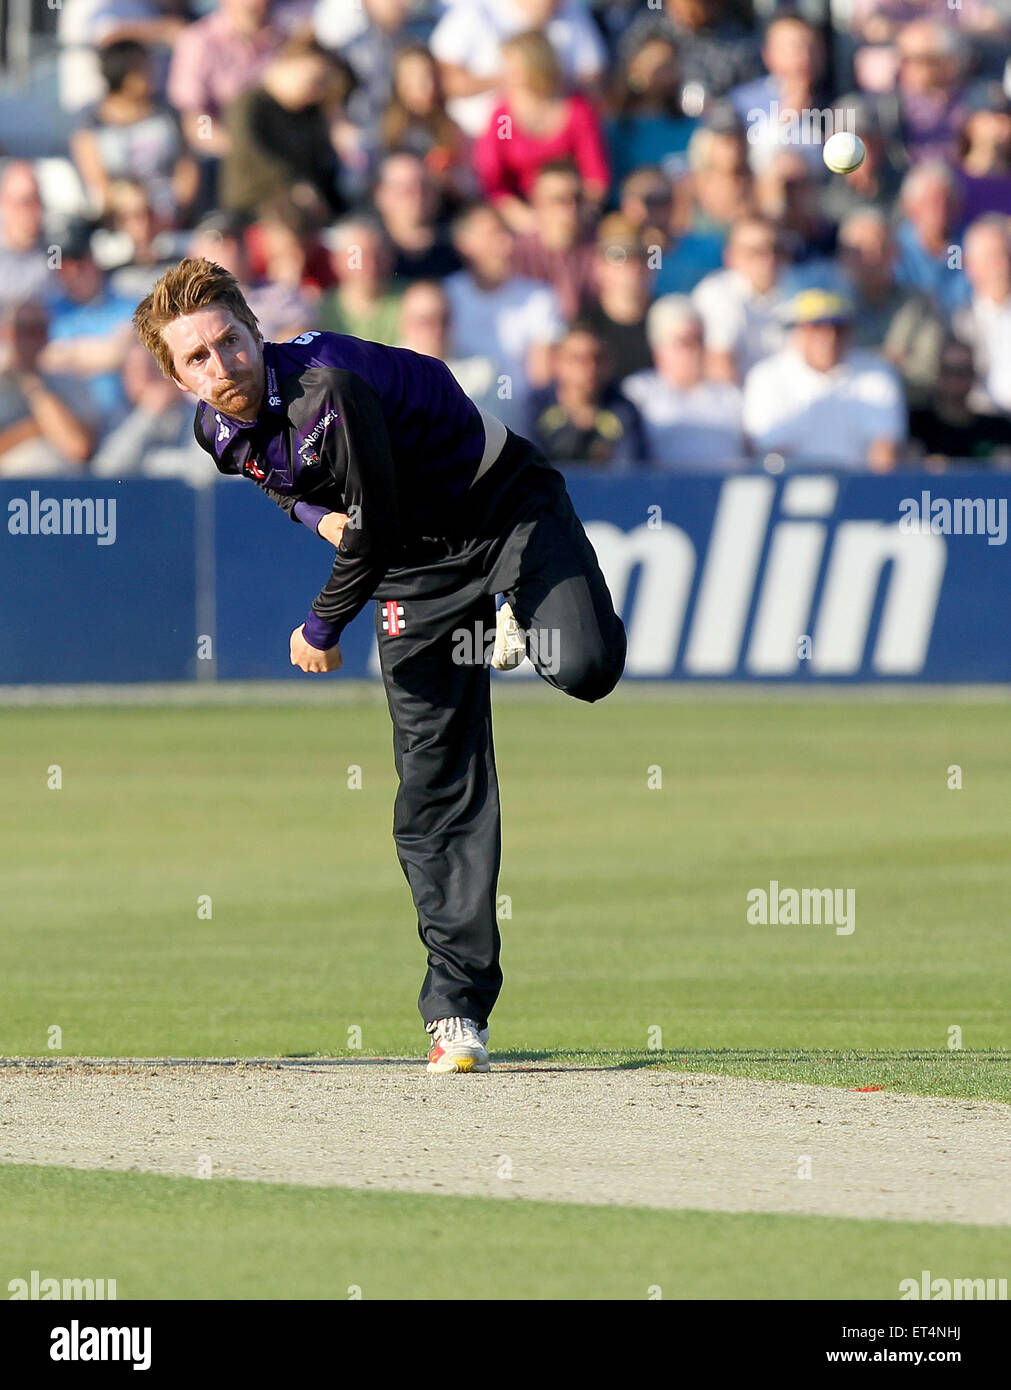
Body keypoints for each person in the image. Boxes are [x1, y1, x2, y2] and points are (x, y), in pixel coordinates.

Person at [133, 256, 626, 1072]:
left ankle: (517, 605)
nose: (222, 367)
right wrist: (312, 513)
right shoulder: (215, 430)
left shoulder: (327, 391)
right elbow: (276, 480)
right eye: (197, 359)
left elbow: (378, 529)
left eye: (230, 341)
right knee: (434, 780)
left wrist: (321, 626)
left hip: (498, 505)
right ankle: (456, 1011)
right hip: (412, 569)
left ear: (258, 331)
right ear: (176, 377)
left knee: (586, 668)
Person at [742, 288, 907, 471]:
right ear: (799, 331)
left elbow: (884, 451)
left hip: (857, 489)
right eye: (817, 327)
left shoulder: (878, 373)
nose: (829, 337)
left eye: (838, 327)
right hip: (787, 487)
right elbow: (766, 452)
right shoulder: (766, 377)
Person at [473, 29, 609, 234]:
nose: (508, 73)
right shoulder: (504, 119)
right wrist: (520, 216)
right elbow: (495, 177)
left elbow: (595, 176)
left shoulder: (576, 112)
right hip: (522, 217)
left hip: (572, 213)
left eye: (515, 66)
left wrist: (578, 214)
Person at [444, 202, 564, 431]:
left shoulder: (540, 298)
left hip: (519, 431)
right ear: (464, 244)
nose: (506, 243)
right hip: (456, 426)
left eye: (507, 233)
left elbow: (541, 379)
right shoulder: (445, 296)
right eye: (493, 234)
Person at [219, 34, 349, 222]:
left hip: (303, 215)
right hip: (252, 211)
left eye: (323, 85)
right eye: (316, 80)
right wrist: (295, 187)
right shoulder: (248, 104)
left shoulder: (310, 113)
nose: (318, 91)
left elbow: (319, 164)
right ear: (289, 64)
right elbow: (252, 154)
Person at [71, 39, 197, 224]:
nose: (151, 74)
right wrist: (131, 205)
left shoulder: (168, 113)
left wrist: (176, 211)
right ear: (123, 74)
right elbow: (96, 182)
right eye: (143, 69)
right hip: (121, 215)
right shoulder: (91, 121)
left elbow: (187, 167)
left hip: (168, 213)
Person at [620, 295, 744, 468]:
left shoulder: (730, 395)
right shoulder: (638, 392)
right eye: (684, 341)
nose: (694, 350)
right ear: (660, 348)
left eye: (699, 340)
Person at [0, 300, 99, 476]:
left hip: (61, 489)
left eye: (39, 329)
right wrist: (33, 429)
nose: (32, 339)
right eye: (24, 330)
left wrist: (34, 388)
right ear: (7, 333)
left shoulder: (69, 382)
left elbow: (79, 448)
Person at [527, 322, 647, 467]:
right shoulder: (535, 408)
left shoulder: (623, 411)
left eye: (598, 358)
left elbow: (630, 472)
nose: (590, 368)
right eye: (578, 359)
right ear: (559, 363)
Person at [691, 214, 788, 382]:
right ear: (731, 257)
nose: (768, 259)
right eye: (755, 252)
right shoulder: (716, 294)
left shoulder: (800, 287)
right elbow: (719, 365)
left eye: (776, 249)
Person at [510, 160, 597, 321]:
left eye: (578, 198)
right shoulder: (517, 254)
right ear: (537, 202)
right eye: (560, 200)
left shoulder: (600, 246)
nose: (572, 208)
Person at [908, 335, 1011, 466]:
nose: (955, 380)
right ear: (937, 373)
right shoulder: (914, 426)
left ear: (974, 375)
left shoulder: (999, 430)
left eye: (963, 372)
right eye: (948, 371)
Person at [952, 213, 1011, 413]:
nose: (1000, 267)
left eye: (1004, 255)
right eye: (989, 258)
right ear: (969, 265)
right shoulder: (955, 322)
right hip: (978, 424)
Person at [319, 216, 402, 344]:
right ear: (336, 261)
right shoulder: (318, 311)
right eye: (358, 257)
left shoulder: (414, 305)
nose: (371, 265)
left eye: (378, 255)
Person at [0, 161, 53, 312]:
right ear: (5, 203)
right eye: (25, 201)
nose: (33, 209)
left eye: (37, 199)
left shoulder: (54, 248)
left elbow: (59, 295)